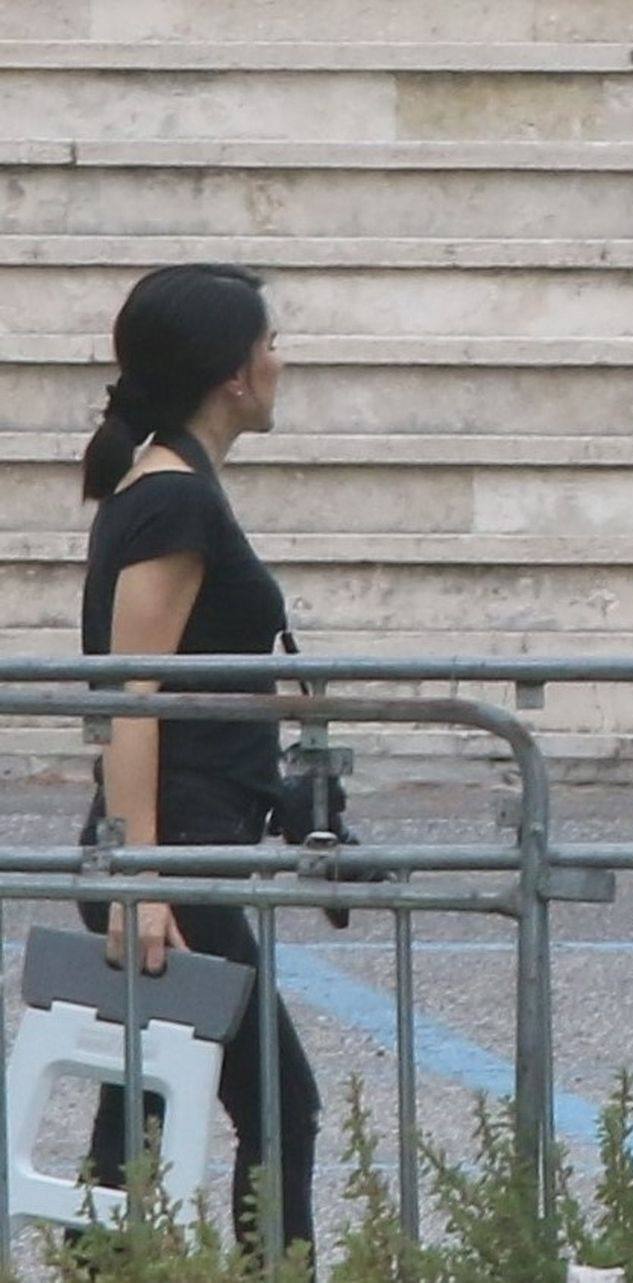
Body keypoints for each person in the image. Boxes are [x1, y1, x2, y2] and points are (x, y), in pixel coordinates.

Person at [74, 263, 320, 1267]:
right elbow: (131, 695)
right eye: (270, 343)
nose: (281, 361)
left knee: (133, 1117)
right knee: (282, 1105)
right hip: (172, 854)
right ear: (231, 373)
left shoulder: (176, 486)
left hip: (180, 846)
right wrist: (142, 876)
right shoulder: (173, 499)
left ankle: (99, 1265)